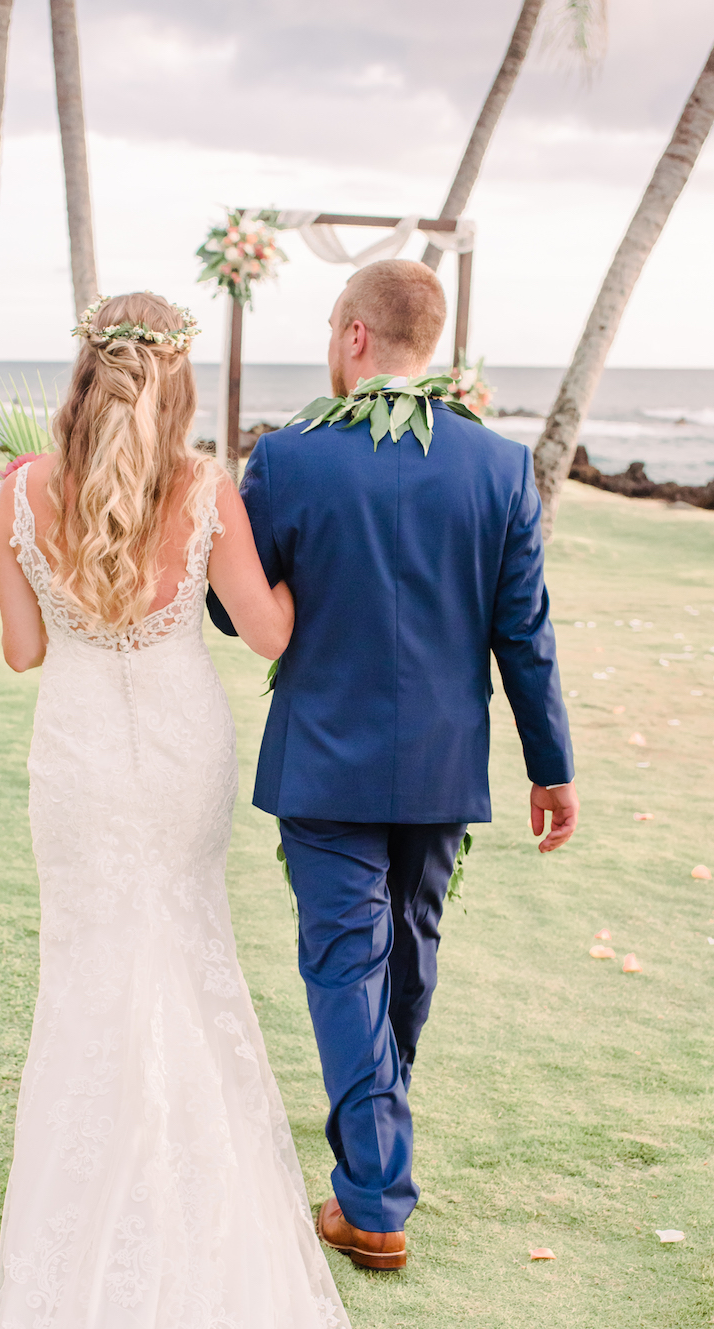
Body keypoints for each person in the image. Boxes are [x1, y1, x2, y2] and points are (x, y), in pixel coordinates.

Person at [0, 292, 485, 1329]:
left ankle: (100, 1188)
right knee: (183, 971)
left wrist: (58, 583)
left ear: (80, 379)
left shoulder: (21, 486)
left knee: (92, 983)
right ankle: (183, 1191)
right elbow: (270, 628)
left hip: (78, 758)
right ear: (174, 388)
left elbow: (22, 653)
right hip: (176, 748)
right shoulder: (205, 488)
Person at [208, 259, 578, 1274]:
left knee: (348, 963)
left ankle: (374, 1195)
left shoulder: (289, 459)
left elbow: (234, 611)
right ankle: (377, 1149)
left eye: (333, 328)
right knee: (406, 952)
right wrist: (551, 765)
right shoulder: (499, 467)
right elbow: (524, 634)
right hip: (442, 766)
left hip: (326, 761)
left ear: (357, 336)